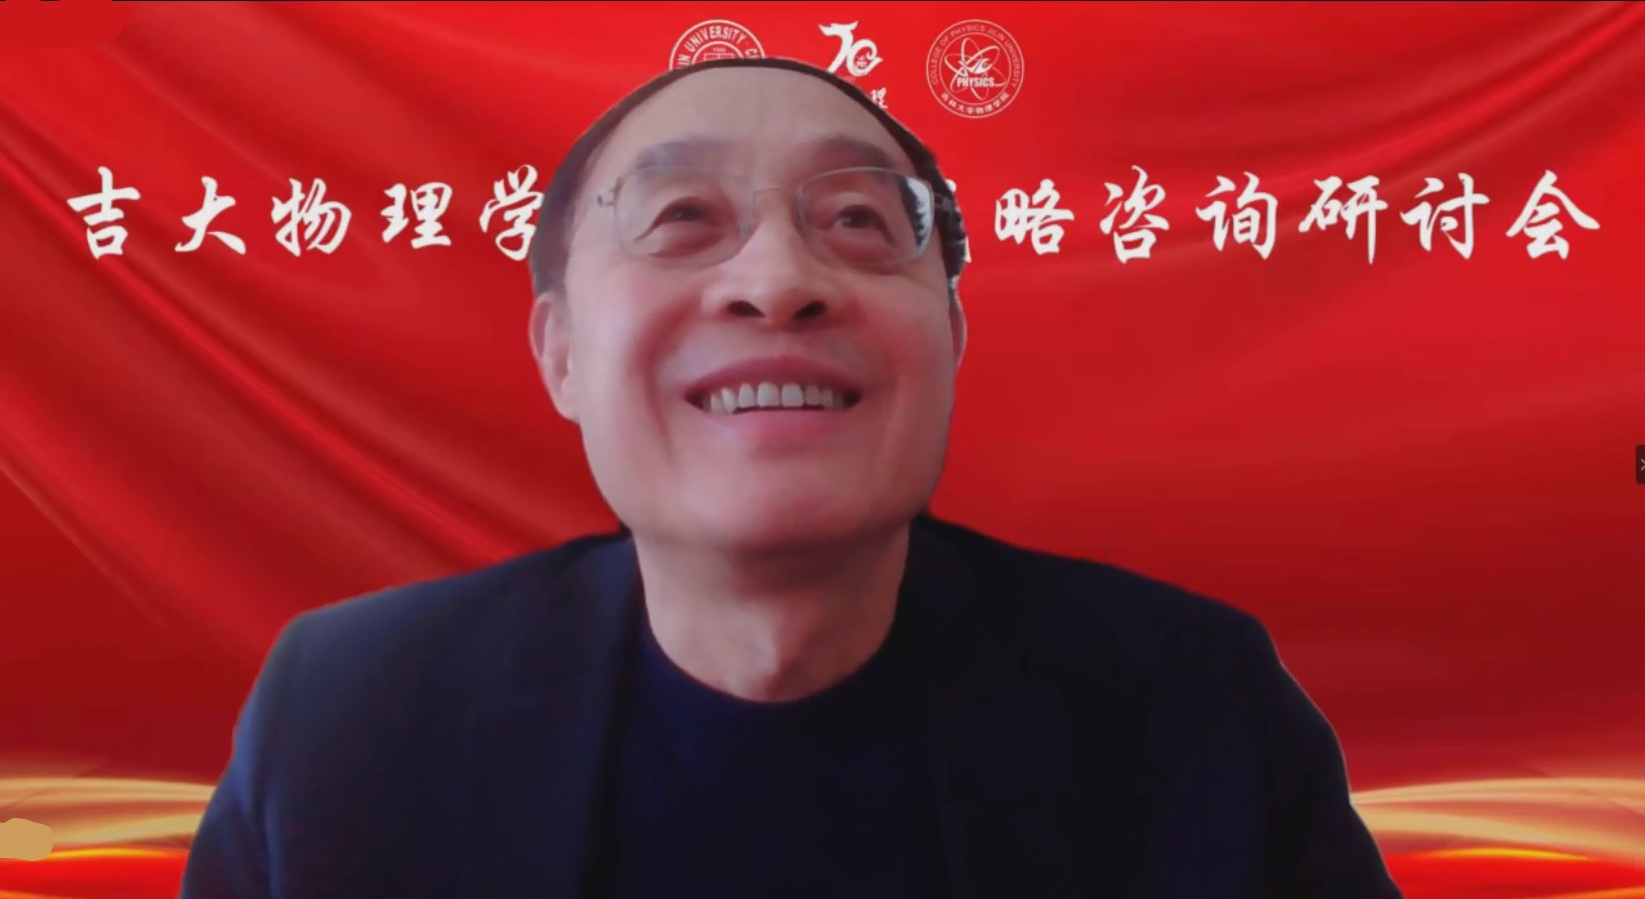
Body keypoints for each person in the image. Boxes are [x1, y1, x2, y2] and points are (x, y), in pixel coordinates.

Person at [179, 57, 1405, 899]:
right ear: (560, 355)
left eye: (859, 220)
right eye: (681, 218)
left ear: (950, 340)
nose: (777, 280)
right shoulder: (347, 714)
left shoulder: (1195, 707)